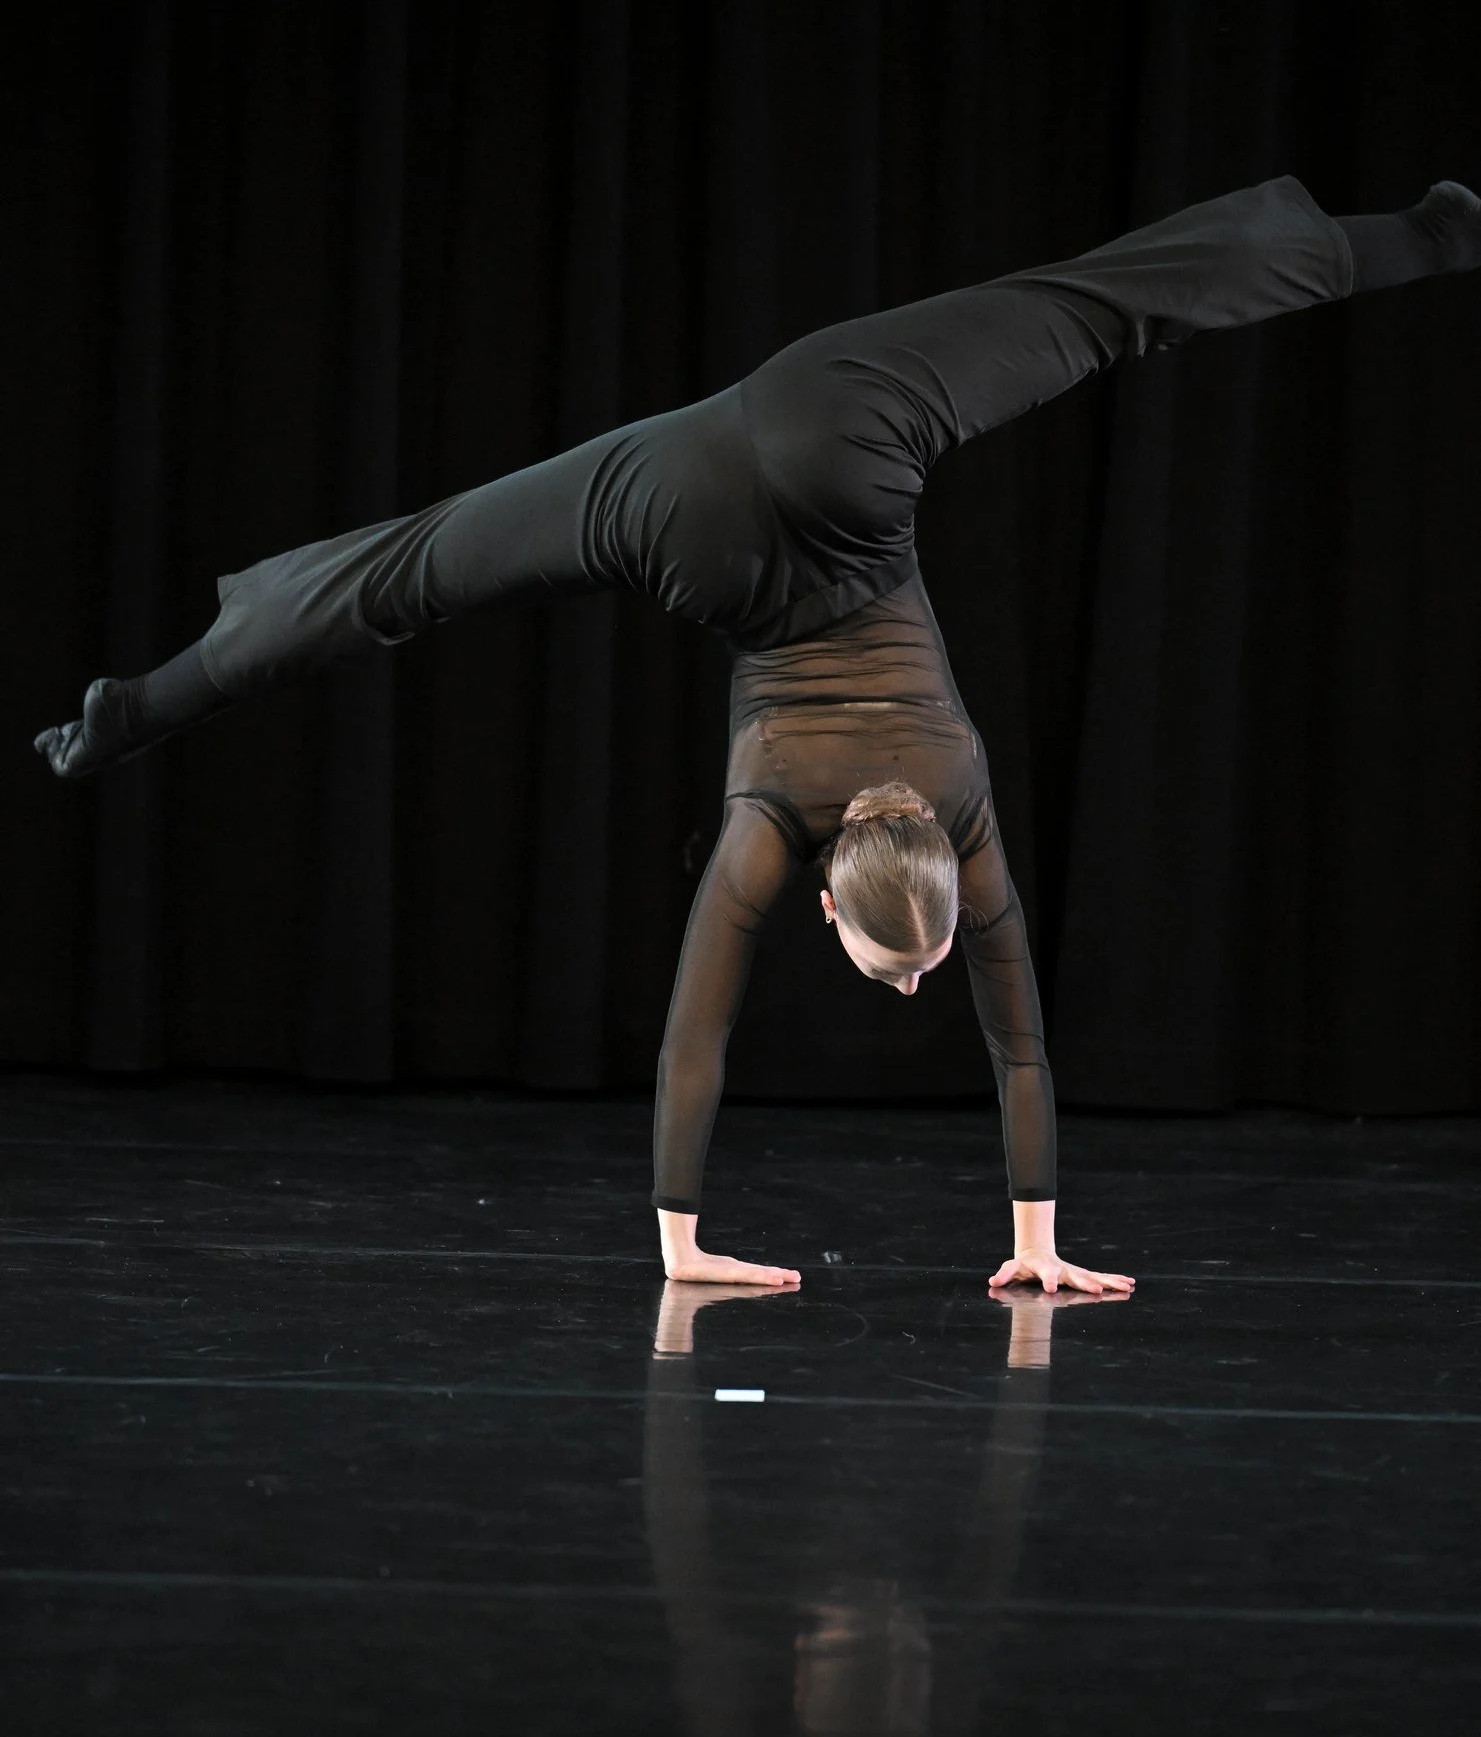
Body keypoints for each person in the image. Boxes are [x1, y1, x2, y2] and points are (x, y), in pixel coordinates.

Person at [36, 175, 1481, 1293]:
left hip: (840, 430)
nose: (914, 987)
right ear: (834, 899)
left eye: (902, 967)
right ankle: (144, 708)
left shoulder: (962, 812)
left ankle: (1425, 238)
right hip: (683, 516)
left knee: (1095, 312)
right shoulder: (769, 823)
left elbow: (1019, 1042)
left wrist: (1036, 1235)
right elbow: (697, 1032)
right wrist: (681, 1244)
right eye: (909, 971)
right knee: (418, 570)